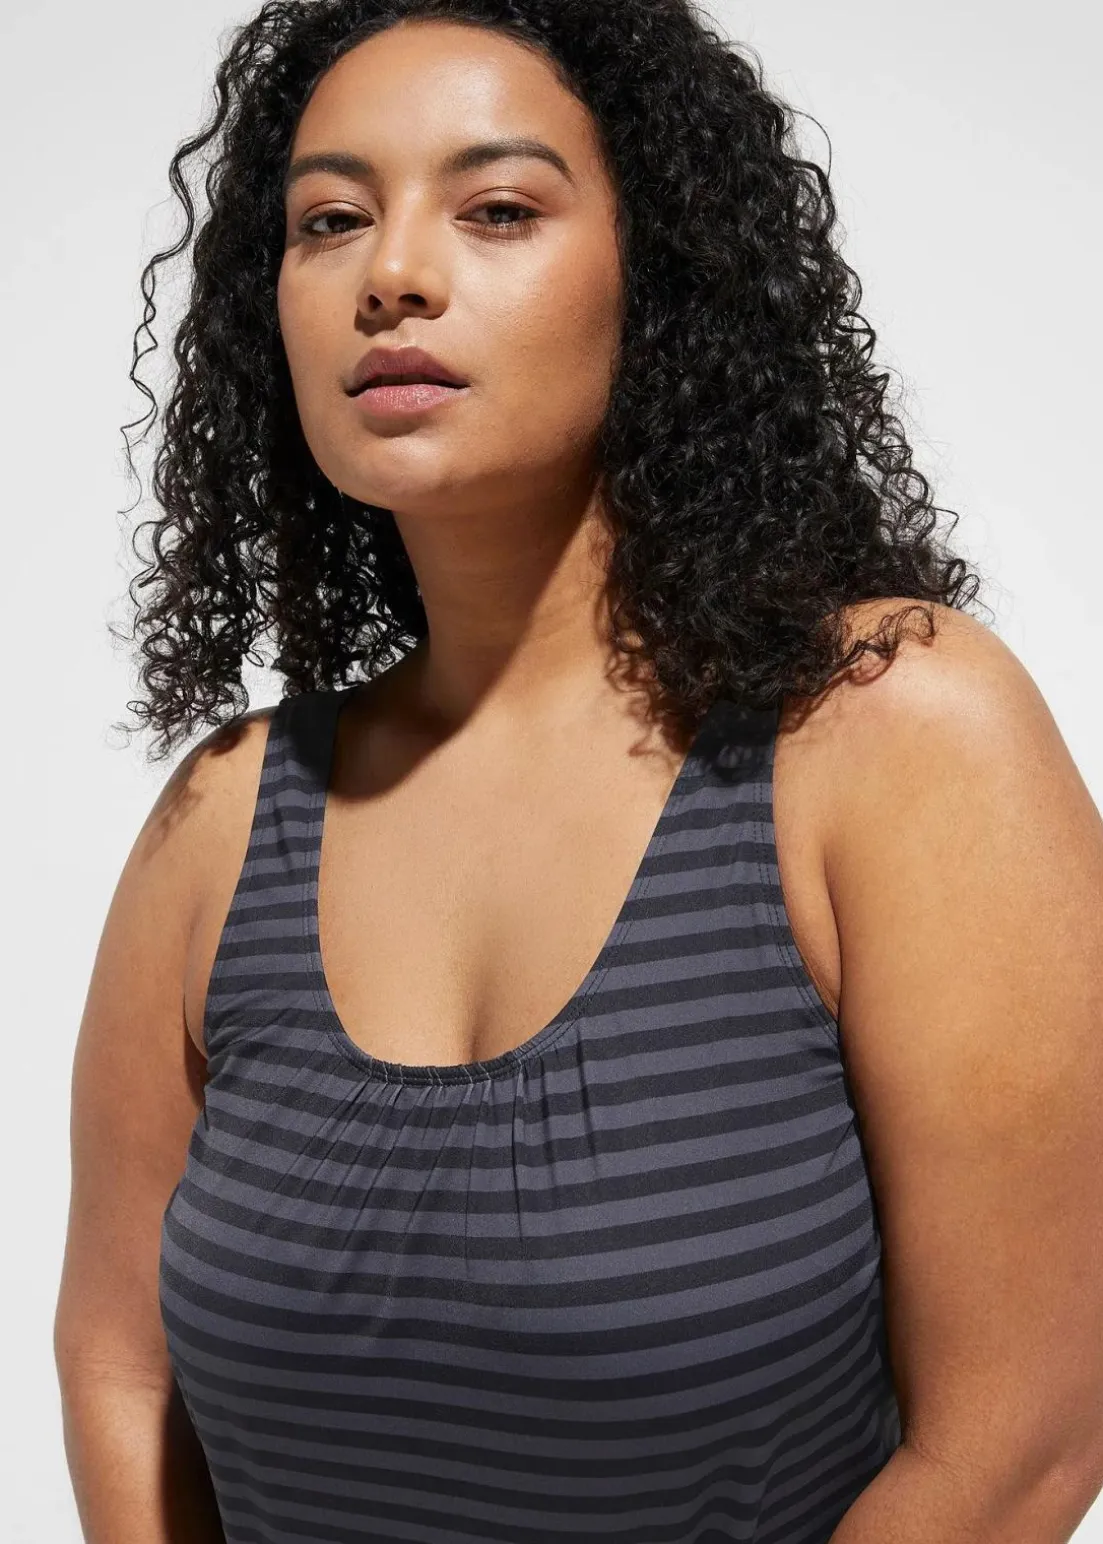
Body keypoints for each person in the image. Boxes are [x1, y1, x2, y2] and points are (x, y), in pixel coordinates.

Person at [54, 2, 1103, 1541]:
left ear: (655, 274)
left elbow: (1017, 1447)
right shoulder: (225, 817)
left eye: (495, 209)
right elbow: (118, 1364)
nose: (391, 273)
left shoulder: (887, 735)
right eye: (329, 220)